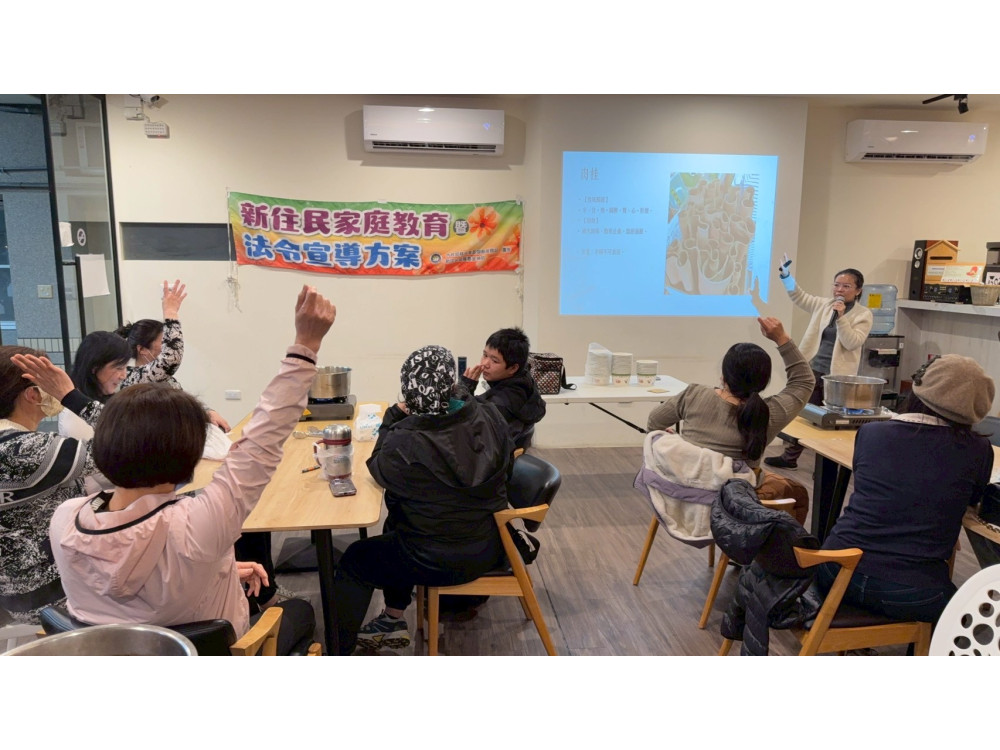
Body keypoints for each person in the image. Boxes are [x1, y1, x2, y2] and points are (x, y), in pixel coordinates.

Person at [42, 286, 335, 654]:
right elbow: (264, 438)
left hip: (111, 663)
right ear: (191, 455)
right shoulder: (198, 525)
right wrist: (306, 345)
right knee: (301, 611)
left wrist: (218, 566)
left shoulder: (65, 519)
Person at [332, 345, 514, 654]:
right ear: (451, 383)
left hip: (432, 559)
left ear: (408, 389)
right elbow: (506, 471)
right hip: (491, 547)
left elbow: (379, 468)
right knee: (398, 521)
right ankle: (392, 617)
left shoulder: (406, 439)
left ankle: (337, 650)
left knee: (355, 559)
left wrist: (392, 415)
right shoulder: (489, 415)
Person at [817, 354, 995, 624]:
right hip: (911, 592)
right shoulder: (977, 451)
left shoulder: (871, 433)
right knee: (970, 618)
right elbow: (971, 502)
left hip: (834, 569)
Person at [645, 317, 815, 524]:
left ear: (723, 376)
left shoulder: (693, 394)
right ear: (764, 381)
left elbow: (654, 422)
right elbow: (804, 381)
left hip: (678, 500)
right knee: (797, 492)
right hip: (732, 506)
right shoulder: (769, 413)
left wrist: (675, 442)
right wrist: (782, 339)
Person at [0, 346, 103, 626]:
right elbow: (131, 440)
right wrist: (71, 396)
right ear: (33, 395)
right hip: (51, 598)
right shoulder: (25, 450)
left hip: (11, 594)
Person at [765, 258, 873, 469]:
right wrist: (786, 276)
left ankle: (827, 466)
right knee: (802, 412)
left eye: (846, 286)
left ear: (858, 290)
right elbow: (799, 296)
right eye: (836, 284)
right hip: (813, 369)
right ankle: (790, 458)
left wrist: (841, 317)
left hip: (838, 378)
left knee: (832, 420)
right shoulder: (824, 305)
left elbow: (852, 342)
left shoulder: (863, 314)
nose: (839, 290)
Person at [116, 279, 230, 432]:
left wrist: (207, 411)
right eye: (164, 341)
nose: (166, 345)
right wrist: (170, 312)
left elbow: (183, 403)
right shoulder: (133, 378)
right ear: (142, 349)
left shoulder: (165, 379)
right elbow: (170, 359)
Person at [460, 327, 546, 448]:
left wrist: (463, 389)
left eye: (495, 361)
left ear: (513, 368)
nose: (485, 364)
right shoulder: (523, 381)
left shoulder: (503, 402)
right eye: (485, 355)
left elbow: (464, 425)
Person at [57, 331, 131, 441]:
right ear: (95, 368)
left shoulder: (107, 399)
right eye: (119, 368)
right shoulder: (76, 416)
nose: (124, 376)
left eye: (125, 367)